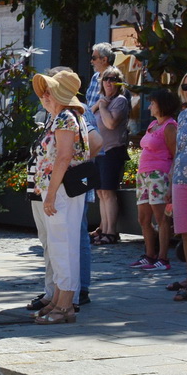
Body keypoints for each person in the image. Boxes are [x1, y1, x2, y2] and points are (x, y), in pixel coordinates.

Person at [26, 69, 89, 325]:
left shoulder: (65, 118)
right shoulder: (62, 117)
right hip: (59, 189)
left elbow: (63, 157)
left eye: (49, 91)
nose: (44, 95)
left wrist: (50, 195)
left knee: (63, 248)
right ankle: (59, 300)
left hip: (61, 190)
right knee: (60, 247)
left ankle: (65, 306)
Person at [133, 88, 178, 271]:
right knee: (143, 218)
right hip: (144, 175)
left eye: (153, 103)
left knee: (161, 218)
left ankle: (163, 257)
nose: (150, 105)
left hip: (159, 175)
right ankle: (149, 254)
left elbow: (175, 154)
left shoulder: (170, 126)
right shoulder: (153, 125)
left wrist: (171, 183)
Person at [85, 68, 131, 245]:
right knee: (101, 192)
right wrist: (98, 105)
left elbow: (110, 123)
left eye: (113, 79)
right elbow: (88, 117)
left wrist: (102, 106)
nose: (109, 82)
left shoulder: (119, 100)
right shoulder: (102, 100)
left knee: (109, 192)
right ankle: (103, 228)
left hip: (113, 150)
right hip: (100, 152)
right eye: (106, 79)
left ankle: (111, 232)